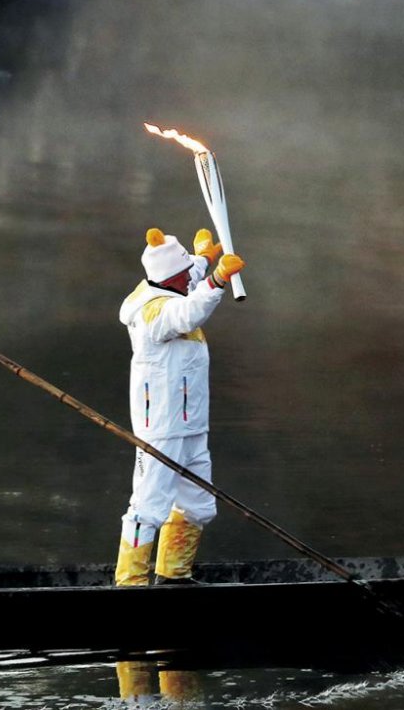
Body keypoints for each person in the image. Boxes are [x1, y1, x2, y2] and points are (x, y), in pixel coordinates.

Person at [114, 226, 245, 587]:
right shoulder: (152, 313)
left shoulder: (172, 283)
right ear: (172, 277)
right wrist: (218, 280)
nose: (192, 276)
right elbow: (188, 313)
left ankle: (173, 574)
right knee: (148, 505)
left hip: (191, 422)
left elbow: (190, 280)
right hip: (161, 426)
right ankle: (131, 582)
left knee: (198, 502)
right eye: (186, 271)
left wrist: (206, 258)